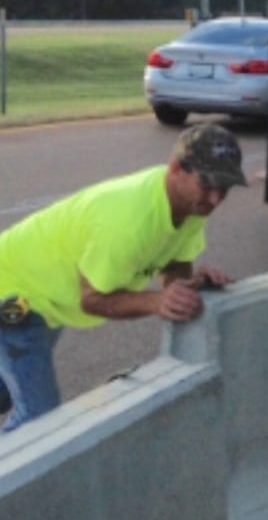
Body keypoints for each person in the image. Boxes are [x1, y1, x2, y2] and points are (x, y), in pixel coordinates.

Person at [0, 122, 247, 433]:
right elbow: (91, 300)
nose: (215, 199)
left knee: (9, 387)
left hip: (47, 296)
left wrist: (190, 285)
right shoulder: (127, 223)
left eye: (223, 188)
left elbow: (173, 266)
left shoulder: (191, 207)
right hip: (14, 292)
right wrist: (157, 302)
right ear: (176, 169)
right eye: (208, 185)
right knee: (39, 423)